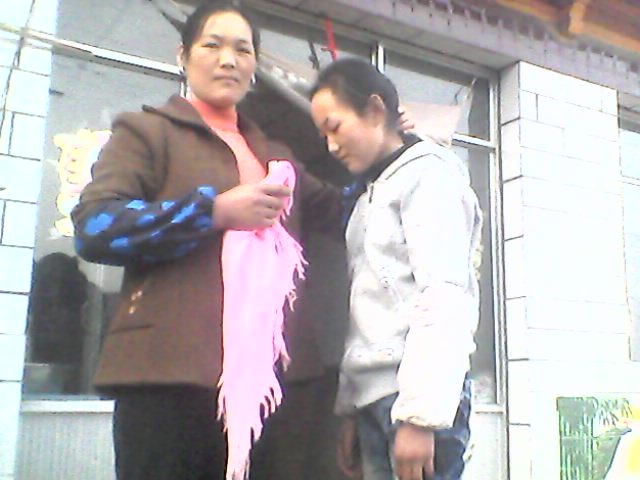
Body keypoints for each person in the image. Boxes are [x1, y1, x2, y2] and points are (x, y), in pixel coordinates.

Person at [71, 2, 345, 479]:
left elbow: (348, 212)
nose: (228, 60)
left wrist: (385, 142)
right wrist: (213, 211)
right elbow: (95, 227)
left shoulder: (277, 155)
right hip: (169, 381)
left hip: (270, 388)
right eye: (212, 45)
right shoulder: (147, 132)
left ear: (255, 66)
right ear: (183, 56)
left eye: (243, 50)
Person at [309, 58, 482, 480]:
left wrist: (421, 417)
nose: (330, 146)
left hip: (414, 400)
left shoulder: (429, 175)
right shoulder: (368, 195)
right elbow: (366, 312)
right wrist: (352, 407)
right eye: (323, 135)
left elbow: (444, 296)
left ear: (374, 110)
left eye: (335, 127)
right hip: (376, 402)